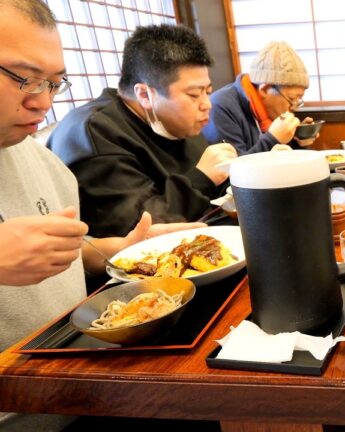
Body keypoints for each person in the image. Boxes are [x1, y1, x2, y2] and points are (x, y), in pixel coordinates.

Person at [0, 2, 203, 429]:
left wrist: (120, 252)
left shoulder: (39, 159)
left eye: (53, 82)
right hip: (17, 404)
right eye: (23, 78)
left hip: (81, 368)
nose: (42, 101)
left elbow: (75, 254)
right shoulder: (96, 132)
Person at [47, 24, 237, 238]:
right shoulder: (95, 131)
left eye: (208, 92)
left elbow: (217, 192)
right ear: (145, 95)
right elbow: (136, 228)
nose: (207, 104)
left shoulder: (175, 123)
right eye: (194, 95)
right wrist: (202, 178)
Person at [201, 41, 318, 155]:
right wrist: (273, 139)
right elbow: (231, 170)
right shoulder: (220, 107)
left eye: (299, 100)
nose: (294, 107)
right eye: (292, 99)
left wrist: (298, 140)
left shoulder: (271, 110)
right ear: (265, 89)